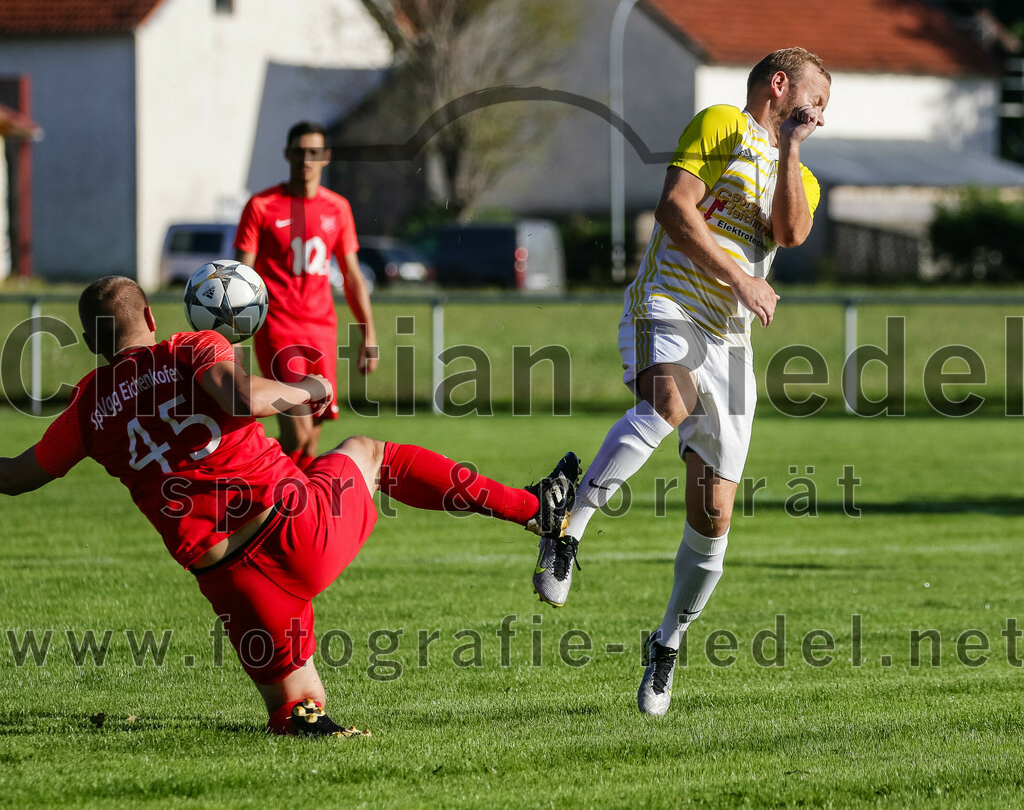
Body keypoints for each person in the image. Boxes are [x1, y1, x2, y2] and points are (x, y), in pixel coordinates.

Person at [0, 276, 580, 737]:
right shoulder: (186, 346)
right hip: (293, 529)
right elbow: (244, 397)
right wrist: (313, 391)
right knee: (371, 453)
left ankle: (303, 720)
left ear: (92, 343)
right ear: (151, 319)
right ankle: (536, 508)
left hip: (231, 583)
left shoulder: (85, 409)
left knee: (299, 711)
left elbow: (16, 478)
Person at [531, 48, 830, 715]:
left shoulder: (800, 173)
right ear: (780, 85)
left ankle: (667, 643)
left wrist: (790, 148)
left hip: (728, 338)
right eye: (816, 100)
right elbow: (674, 207)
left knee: (714, 511)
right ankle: (567, 529)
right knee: (671, 400)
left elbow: (789, 230)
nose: (820, 115)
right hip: (666, 303)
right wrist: (742, 278)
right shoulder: (720, 122)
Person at [234, 121, 376, 470]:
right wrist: (235, 337)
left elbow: (353, 276)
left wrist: (368, 333)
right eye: (299, 152)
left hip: (321, 329)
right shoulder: (262, 205)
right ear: (287, 154)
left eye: (314, 153)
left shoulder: (337, 208)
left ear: (326, 157)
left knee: (311, 438)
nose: (306, 160)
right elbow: (240, 278)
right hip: (278, 328)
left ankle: (286, 510)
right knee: (296, 433)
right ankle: (242, 479)